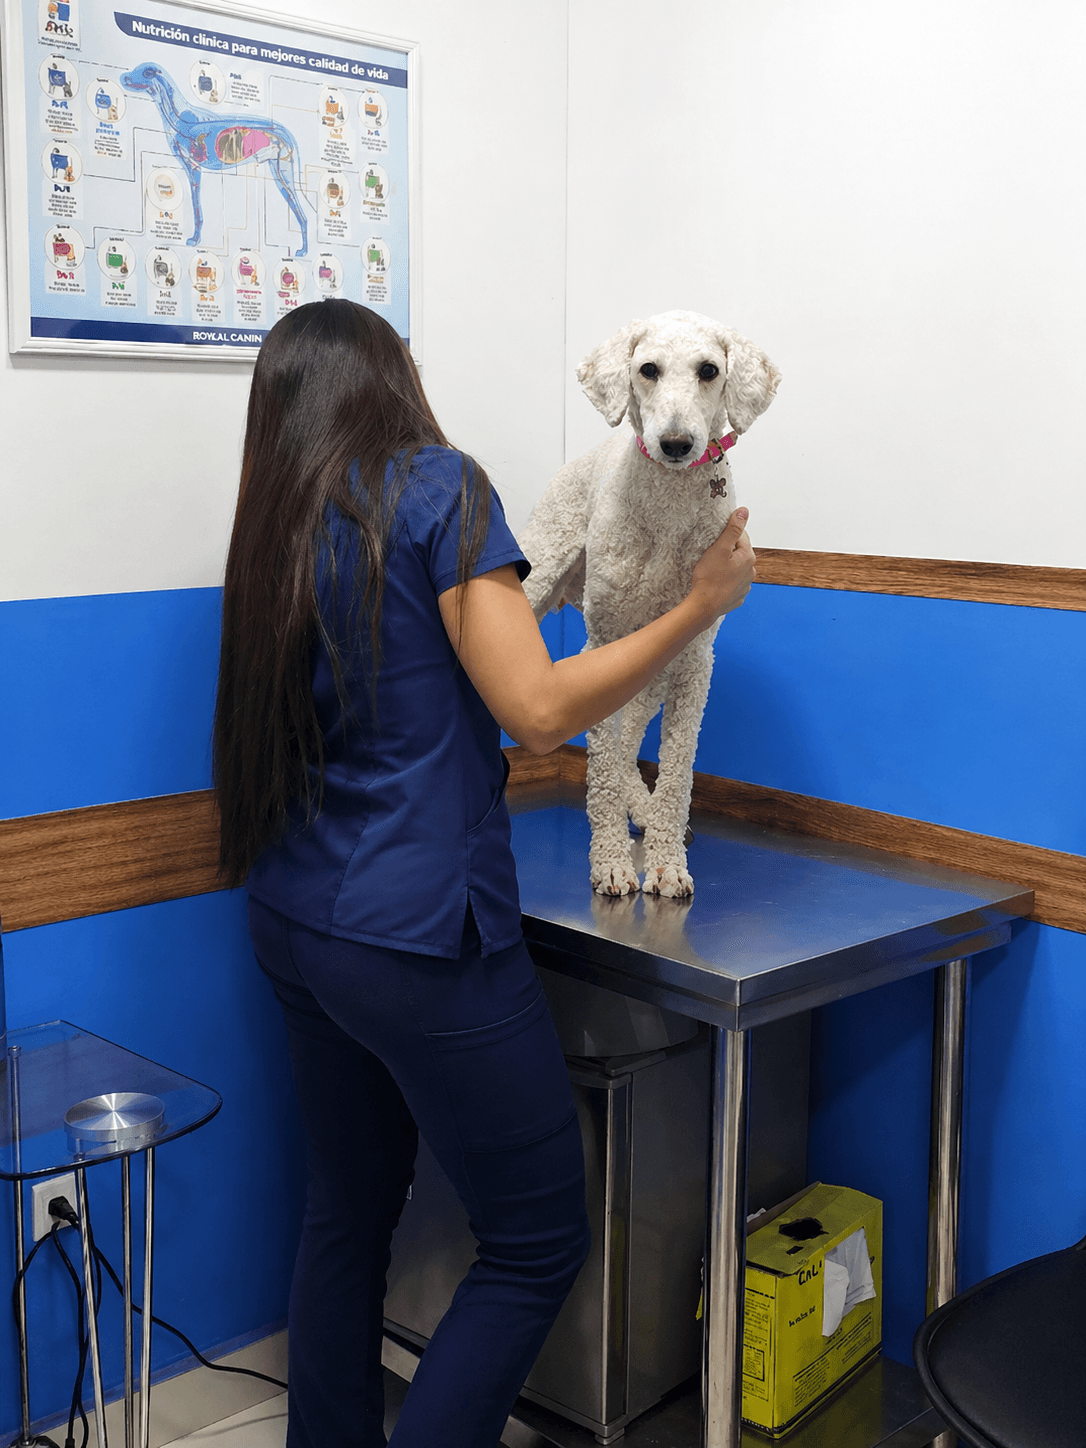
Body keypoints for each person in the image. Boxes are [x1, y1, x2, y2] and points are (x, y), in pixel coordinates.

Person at [213, 299, 756, 1448]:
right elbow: (541, 709)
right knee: (537, 1236)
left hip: (294, 915)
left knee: (347, 1209)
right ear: (393, 379)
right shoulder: (438, 487)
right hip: (415, 926)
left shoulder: (282, 519)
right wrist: (699, 607)